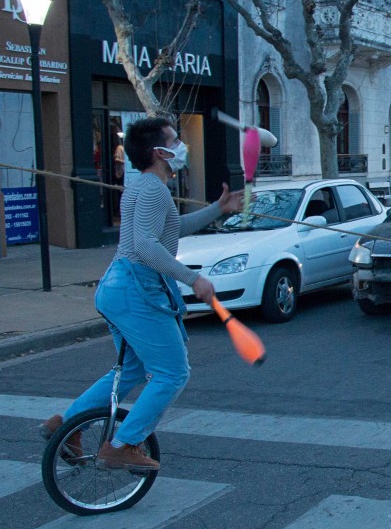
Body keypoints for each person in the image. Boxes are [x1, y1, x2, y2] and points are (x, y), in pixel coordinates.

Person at [39, 117, 242, 471]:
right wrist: (192, 279)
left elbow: (170, 228)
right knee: (173, 373)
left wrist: (216, 210)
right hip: (136, 289)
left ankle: (65, 425)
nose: (182, 146)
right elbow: (145, 245)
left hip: (118, 288)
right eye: (175, 140)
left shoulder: (143, 186)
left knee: (132, 369)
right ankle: (122, 444)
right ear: (160, 152)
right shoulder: (153, 189)